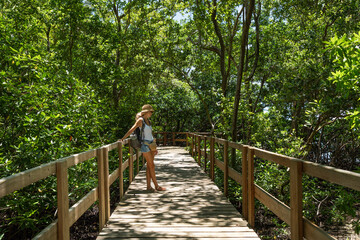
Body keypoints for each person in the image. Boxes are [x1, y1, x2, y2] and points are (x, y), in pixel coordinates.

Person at [119, 104, 166, 192]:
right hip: (145, 145)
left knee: (149, 166)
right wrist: (122, 139)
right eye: (150, 112)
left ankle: (149, 187)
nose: (151, 113)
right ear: (145, 112)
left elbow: (150, 134)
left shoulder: (148, 121)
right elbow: (131, 130)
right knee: (152, 165)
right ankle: (157, 186)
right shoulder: (140, 120)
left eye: (152, 112)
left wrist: (155, 147)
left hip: (151, 145)